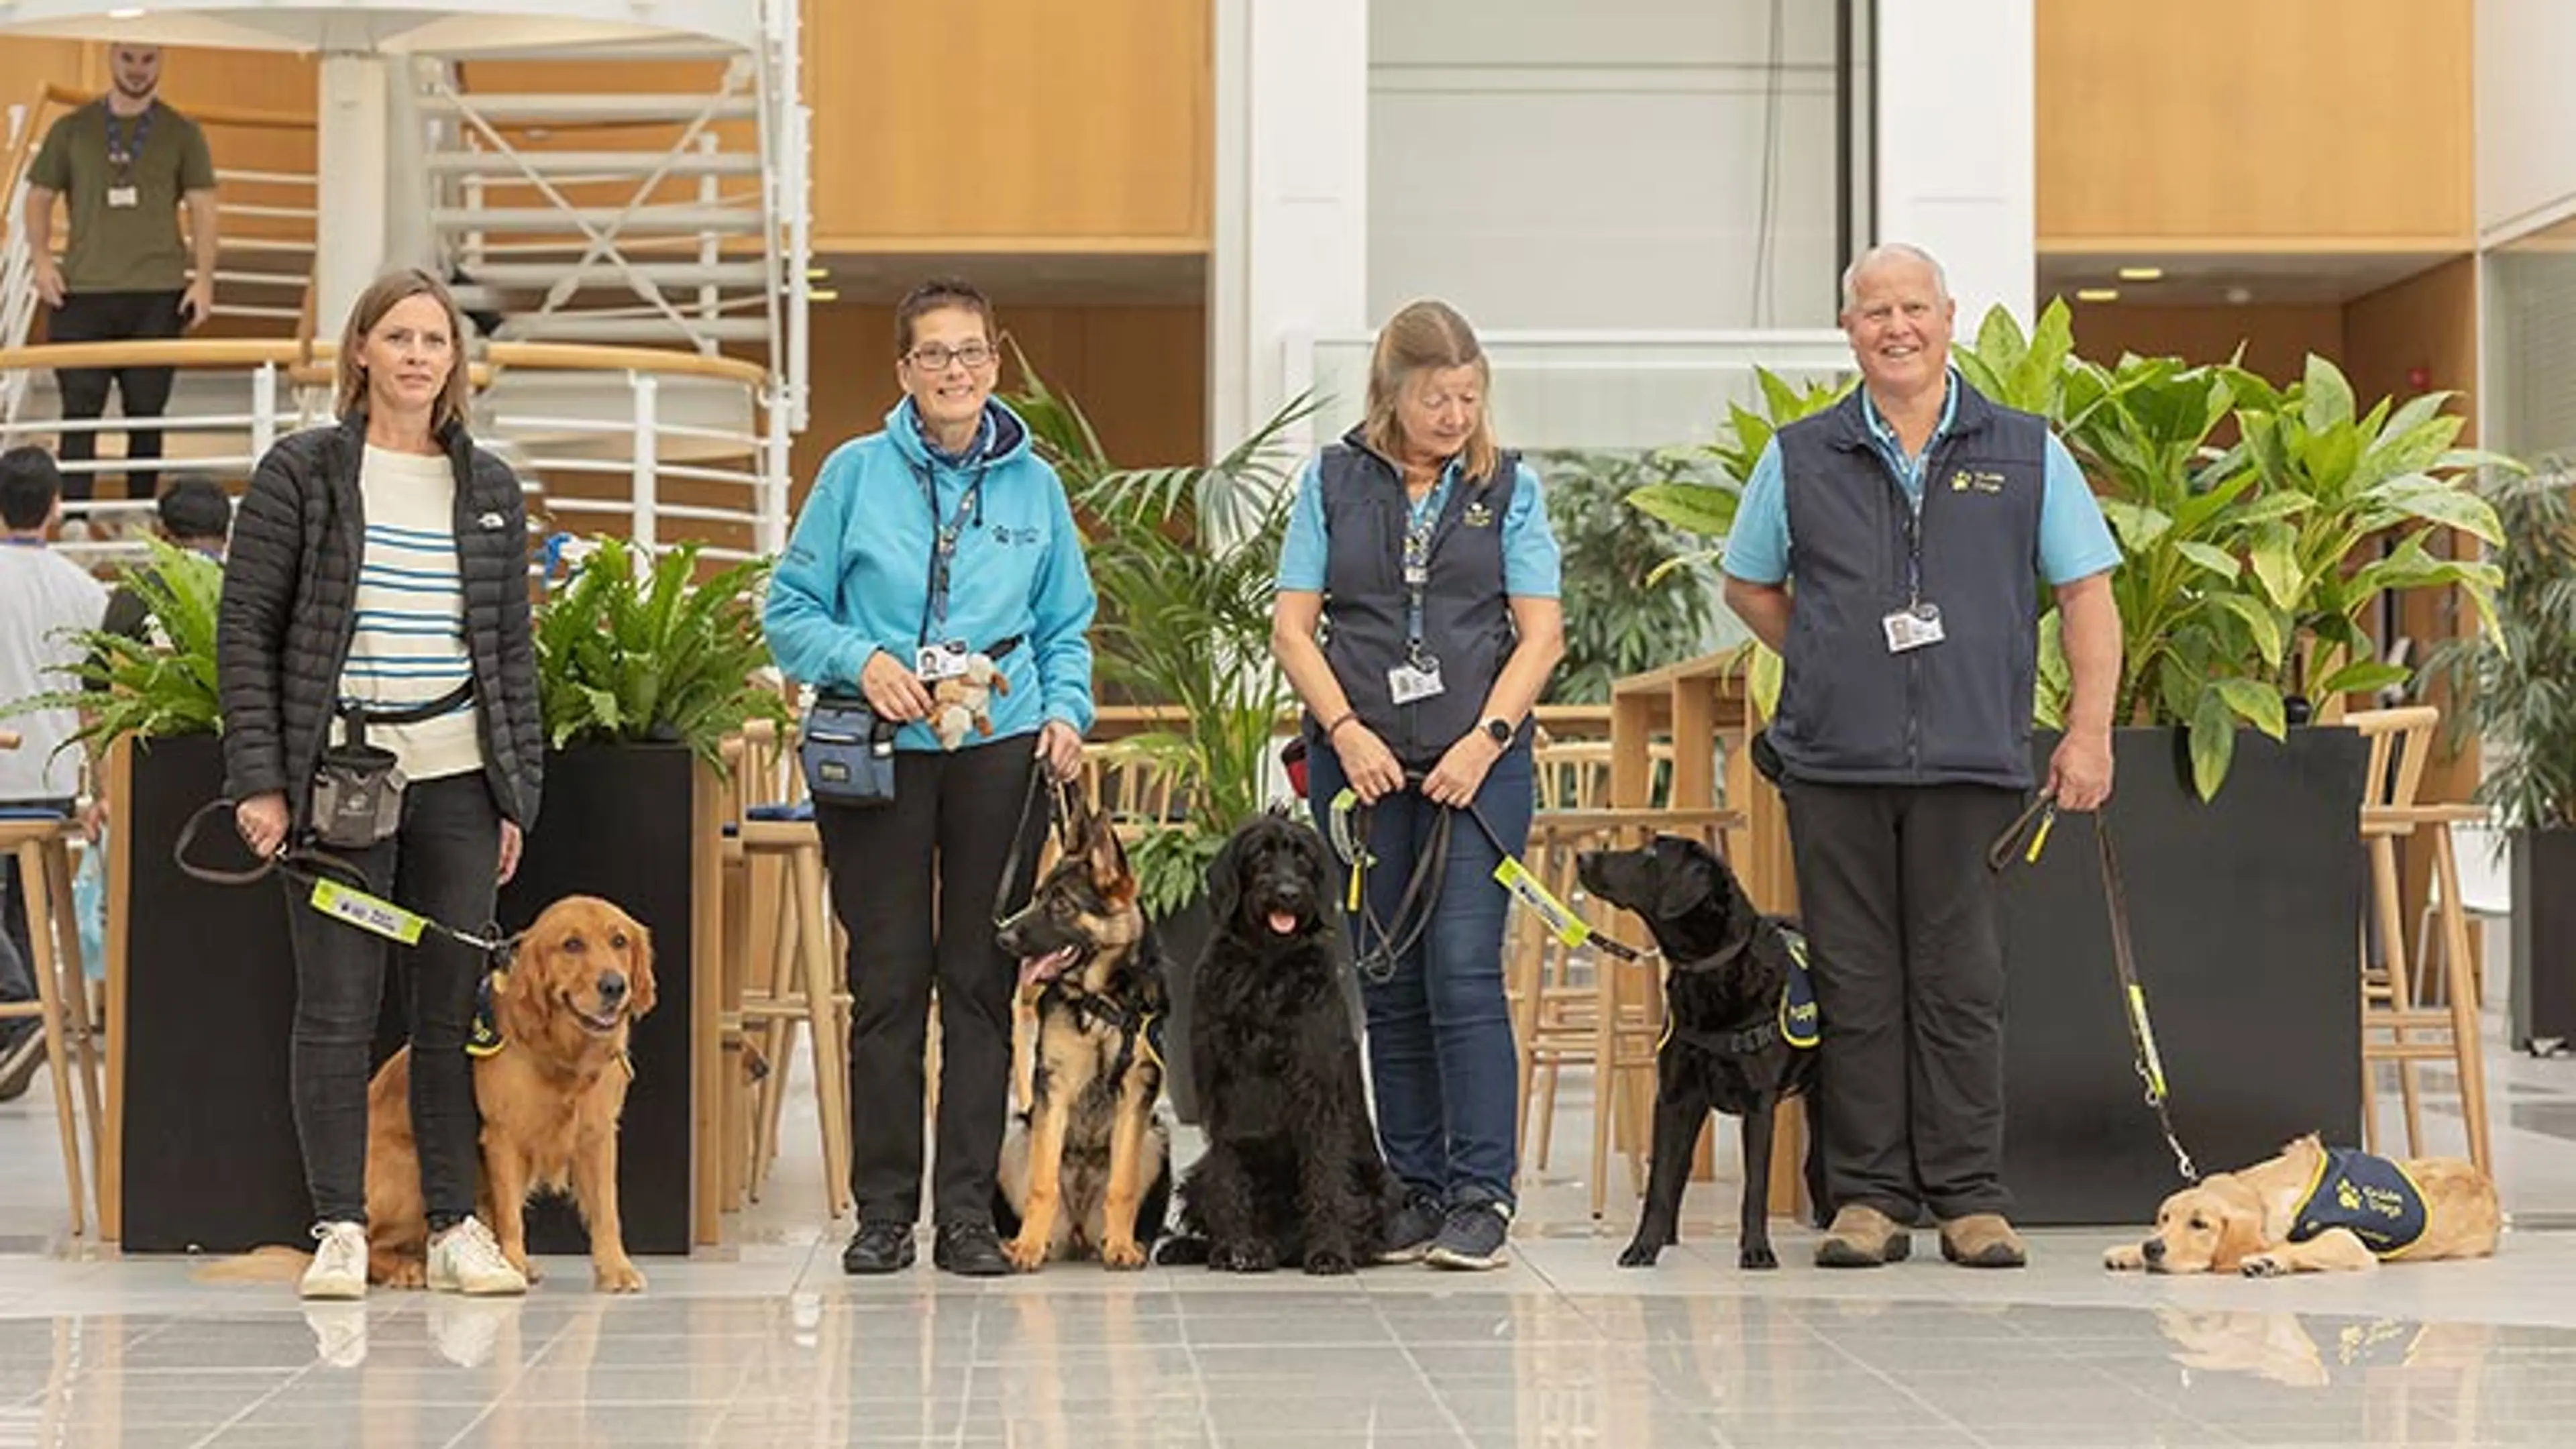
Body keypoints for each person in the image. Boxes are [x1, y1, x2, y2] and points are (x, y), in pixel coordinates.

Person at [1719, 242, 2123, 1270]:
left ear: (1947, 317)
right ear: (1847, 329)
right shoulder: (1799, 455)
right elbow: (1750, 585)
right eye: (1873, 312)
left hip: (1972, 762)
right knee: (1853, 983)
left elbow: (2086, 593)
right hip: (1832, 766)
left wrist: (2088, 729)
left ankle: (1971, 1196)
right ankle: (1867, 1199)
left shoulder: (2029, 451)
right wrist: (1826, 653)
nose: (1895, 328)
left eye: (1913, 308)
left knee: (1960, 981)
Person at [217, 269, 546, 1301]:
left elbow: (511, 652)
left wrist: (513, 794)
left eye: (434, 340)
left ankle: (454, 1224)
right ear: (358, 351)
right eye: (396, 336)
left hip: (458, 777)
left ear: (456, 362)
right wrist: (260, 783)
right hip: (336, 787)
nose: (415, 356)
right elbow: (248, 635)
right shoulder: (301, 474)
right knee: (337, 1009)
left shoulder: (488, 486)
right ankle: (343, 1227)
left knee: (450, 1015)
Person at [764, 277, 1098, 1278]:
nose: (956, 372)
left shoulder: (1036, 487)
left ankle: (964, 1214)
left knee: (982, 981)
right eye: (935, 356)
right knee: (888, 983)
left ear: (995, 361)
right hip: (878, 752)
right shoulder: (854, 475)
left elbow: (1066, 626)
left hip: (1002, 747)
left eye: (972, 353)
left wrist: (1068, 715)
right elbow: (789, 608)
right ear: (904, 371)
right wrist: (860, 661)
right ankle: (882, 1211)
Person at [1271, 299, 1564, 1271]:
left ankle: (1484, 1193)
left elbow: (1541, 635)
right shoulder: (1330, 482)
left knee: (1464, 971)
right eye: (1437, 398)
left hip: (1478, 769)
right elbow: (1293, 630)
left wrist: (1487, 739)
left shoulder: (1509, 489)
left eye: (1470, 397)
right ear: (1392, 393)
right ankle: (1415, 1185)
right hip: (1364, 769)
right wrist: (1345, 732)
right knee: (1388, 979)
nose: (1455, 416)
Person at [24, 43, 219, 504]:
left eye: (147, 59)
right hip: (82, 290)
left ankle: (138, 511)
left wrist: (205, 278)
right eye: (127, 58)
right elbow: (38, 196)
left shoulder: (182, 132)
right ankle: (74, 515)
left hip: (157, 291)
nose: (136, 70)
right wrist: (41, 260)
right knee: (79, 411)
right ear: (111, 57)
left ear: (162, 61)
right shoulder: (72, 129)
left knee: (147, 414)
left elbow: (204, 208)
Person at [0, 447, 108, 1101]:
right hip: (52, 777)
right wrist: (95, 784)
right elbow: (96, 697)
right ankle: (24, 1028)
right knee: (24, 912)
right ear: (57, 506)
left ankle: (20, 1013)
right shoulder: (85, 589)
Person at [100, 473, 230, 645]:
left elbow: (103, 665)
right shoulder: (249, 595)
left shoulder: (135, 595)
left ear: (162, 533)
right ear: (226, 536)